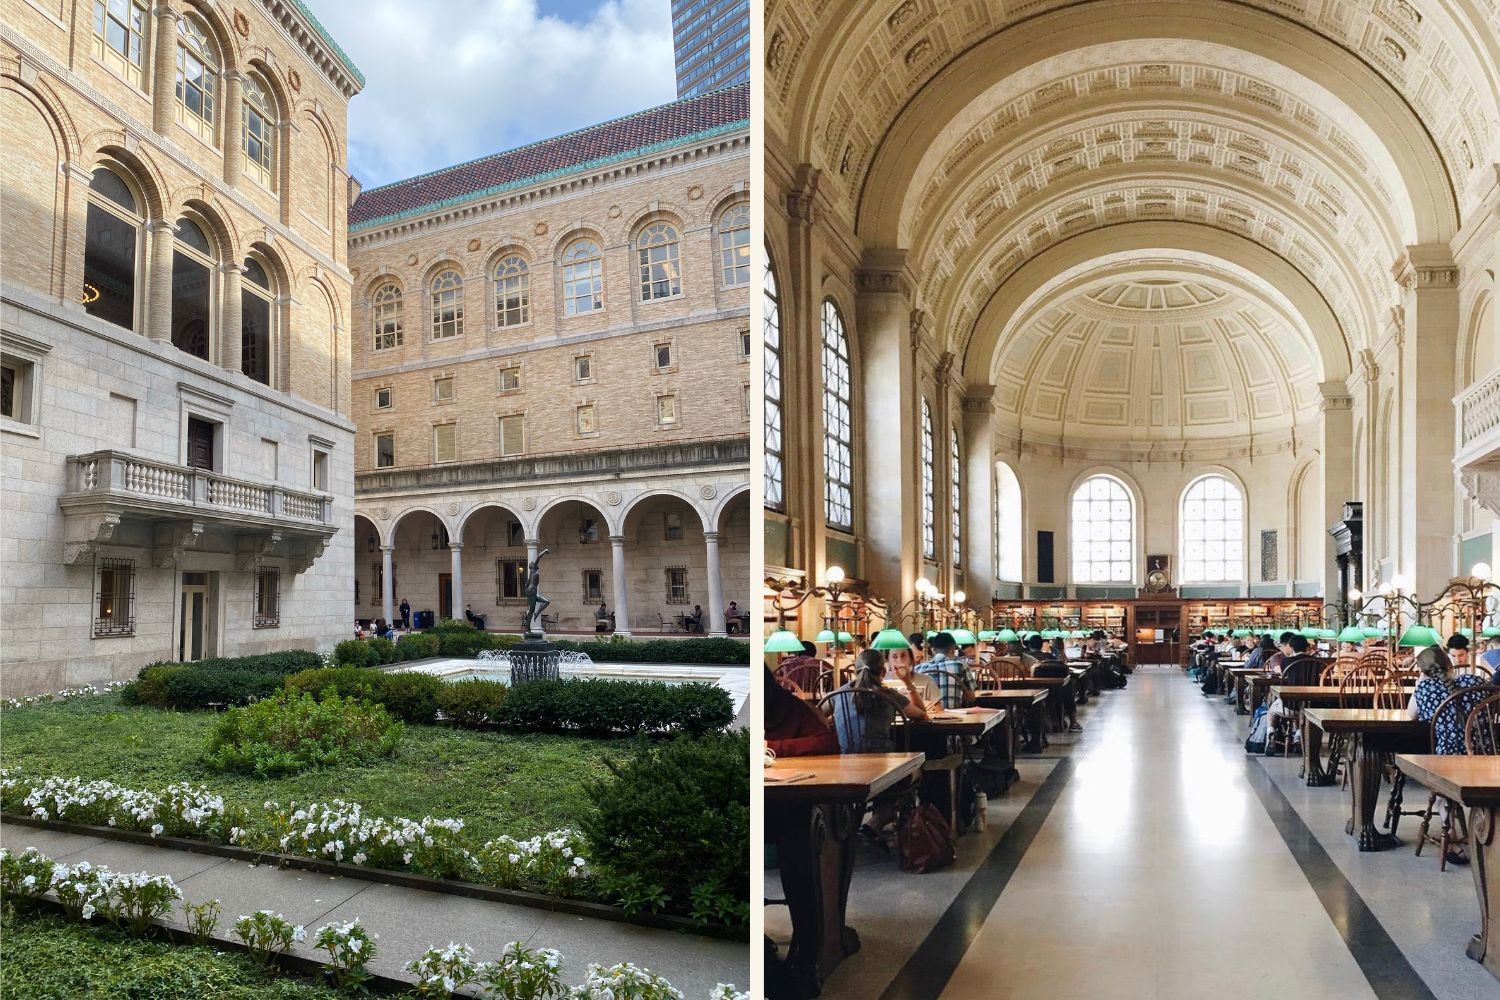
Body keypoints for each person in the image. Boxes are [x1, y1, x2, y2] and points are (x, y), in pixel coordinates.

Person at [824, 650, 927, 840]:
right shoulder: (888, 694)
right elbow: (921, 714)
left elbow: (817, 715)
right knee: (915, 771)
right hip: (883, 766)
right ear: (883, 671)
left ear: (855, 671)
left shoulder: (839, 693)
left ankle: (861, 822)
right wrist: (908, 684)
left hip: (844, 765)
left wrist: (836, 719)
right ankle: (876, 822)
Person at [1408, 645, 1489, 864]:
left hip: (1447, 761)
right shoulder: (1476, 681)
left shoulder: (1426, 689)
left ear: (1423, 671)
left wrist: (1419, 684)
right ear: (1450, 664)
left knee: (1440, 788)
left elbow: (1411, 716)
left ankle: (1450, 835)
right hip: (1485, 757)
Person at [765, 666, 839, 756]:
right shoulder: (817, 664)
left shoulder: (789, 705)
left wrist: (769, 747)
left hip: (789, 767)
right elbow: (840, 677)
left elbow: (829, 742)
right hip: (813, 693)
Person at [1029, 634, 1082, 732]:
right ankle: (1073, 722)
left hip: (1031, 691)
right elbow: (1063, 669)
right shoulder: (1050, 656)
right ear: (1041, 645)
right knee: (1069, 686)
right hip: (1054, 691)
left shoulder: (1026, 658)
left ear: (1029, 645)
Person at [917, 632, 976, 708]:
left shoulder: (918, 668)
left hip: (927, 717)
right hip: (955, 717)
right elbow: (971, 697)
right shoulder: (960, 665)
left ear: (933, 650)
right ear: (953, 649)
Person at [886, 641, 941, 708]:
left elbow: (939, 710)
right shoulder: (883, 682)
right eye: (894, 657)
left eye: (903, 656)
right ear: (888, 661)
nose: (899, 660)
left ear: (911, 660)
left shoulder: (927, 681)